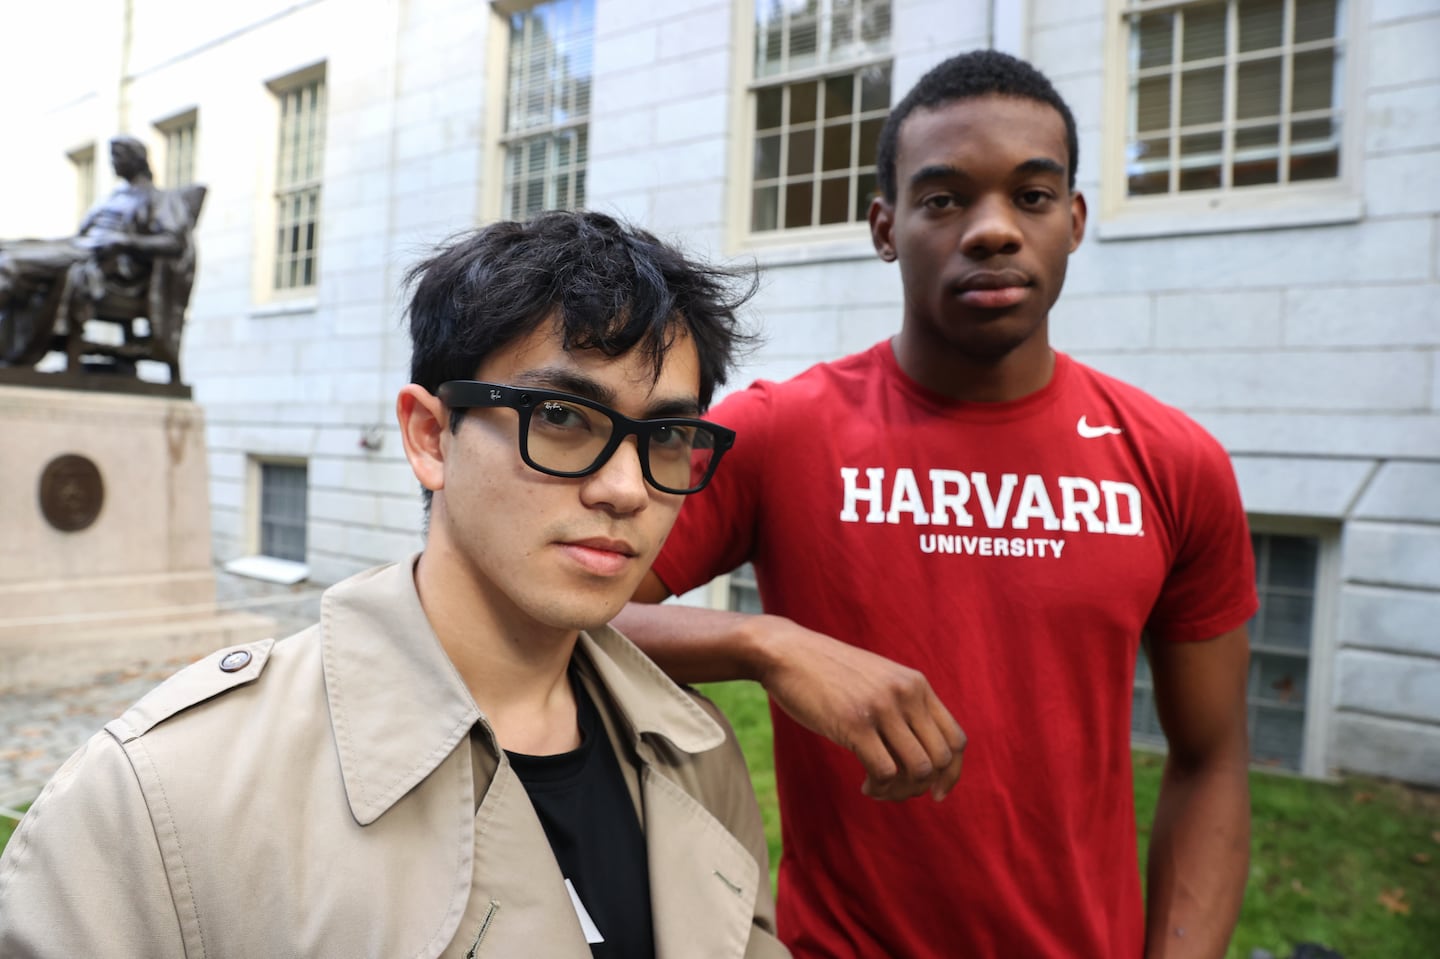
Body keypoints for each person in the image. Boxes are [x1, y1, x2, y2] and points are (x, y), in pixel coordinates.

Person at [0, 211, 789, 958]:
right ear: (429, 436)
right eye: (561, 414)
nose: (626, 487)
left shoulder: (698, 754)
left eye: (668, 435)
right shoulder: (163, 797)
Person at [616, 50, 1256, 958]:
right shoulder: (780, 433)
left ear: (1074, 221)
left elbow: (1213, 758)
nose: (993, 230)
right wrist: (767, 643)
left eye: (1032, 196)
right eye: (945, 198)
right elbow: (565, 613)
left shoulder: (1173, 462)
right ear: (886, 226)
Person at [0, 136, 187, 353]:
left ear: (137, 160)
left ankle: (12, 349)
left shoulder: (159, 198)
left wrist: (125, 240)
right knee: (6, 252)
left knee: (10, 264)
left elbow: (174, 242)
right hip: (80, 247)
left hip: (108, 264)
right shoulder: (111, 198)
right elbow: (79, 235)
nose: (112, 162)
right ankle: (10, 345)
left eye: (117, 155)